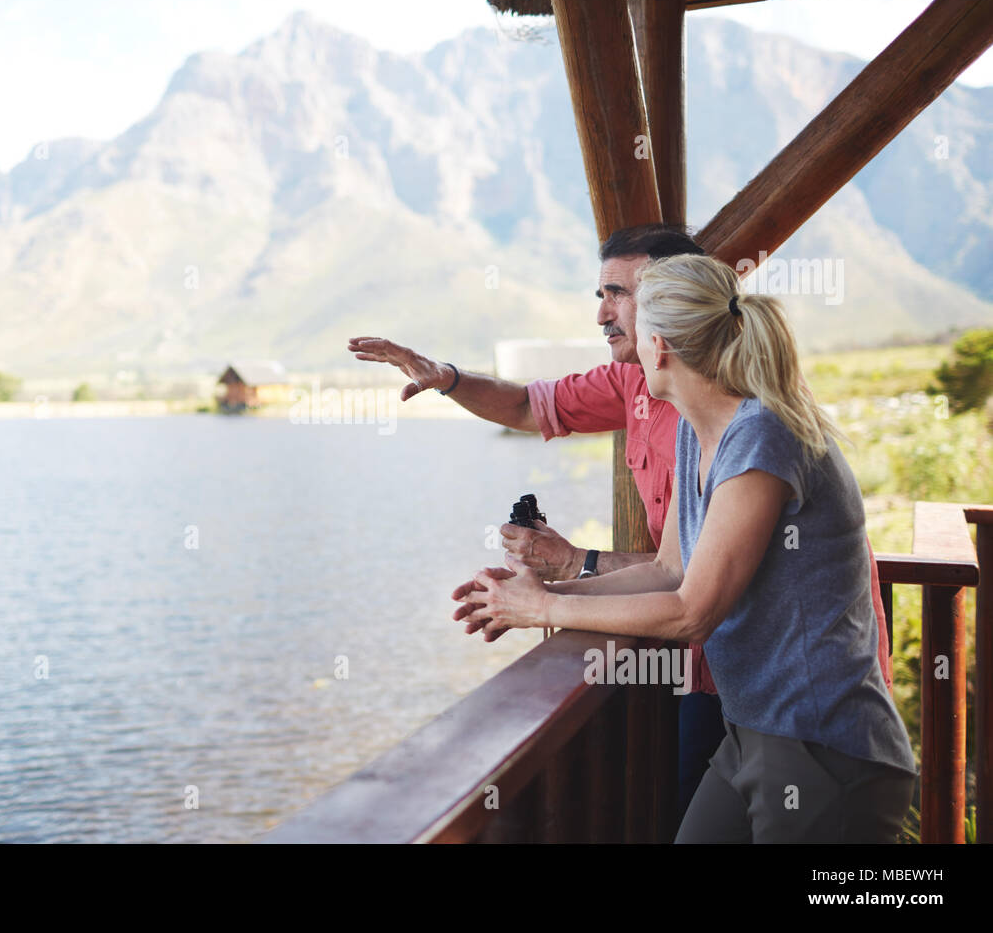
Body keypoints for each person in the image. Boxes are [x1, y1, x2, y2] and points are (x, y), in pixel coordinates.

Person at [349, 224, 893, 826]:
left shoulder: (759, 435)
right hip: (753, 727)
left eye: (622, 299)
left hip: (817, 739)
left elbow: (691, 609)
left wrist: (547, 611)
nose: (606, 318)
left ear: (660, 340)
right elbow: (669, 569)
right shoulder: (697, 428)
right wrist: (539, 593)